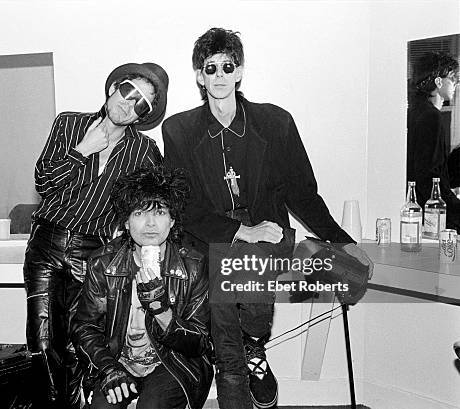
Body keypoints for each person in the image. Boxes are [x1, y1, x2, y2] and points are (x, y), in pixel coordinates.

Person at [162, 27, 373, 409]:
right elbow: (184, 206)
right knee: (229, 346)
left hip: (267, 241)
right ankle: (250, 354)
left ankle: (253, 343)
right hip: (212, 241)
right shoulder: (178, 130)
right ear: (198, 76)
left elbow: (303, 195)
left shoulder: (276, 123)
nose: (220, 75)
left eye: (228, 66)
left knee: (246, 269)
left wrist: (343, 241)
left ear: (240, 71)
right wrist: (240, 229)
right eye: (211, 68)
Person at [23, 62, 168, 408]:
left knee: (78, 345)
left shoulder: (144, 151)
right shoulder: (69, 123)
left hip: (93, 251)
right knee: (42, 342)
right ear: (113, 88)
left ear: (141, 117)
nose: (130, 103)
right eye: (129, 91)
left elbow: (149, 207)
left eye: (142, 104)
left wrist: (124, 255)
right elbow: (43, 183)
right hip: (48, 242)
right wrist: (82, 150)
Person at [71, 166, 213, 409]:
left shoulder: (192, 265)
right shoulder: (104, 263)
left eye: (159, 212)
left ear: (172, 220)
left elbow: (199, 342)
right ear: (126, 222)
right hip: (118, 360)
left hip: (172, 362)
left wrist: (160, 310)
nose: (150, 223)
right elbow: (84, 327)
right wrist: (108, 369)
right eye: (139, 213)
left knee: (152, 406)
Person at [407, 51, 460, 230]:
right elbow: (429, 178)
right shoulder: (431, 117)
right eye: (453, 79)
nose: (456, 84)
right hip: (428, 217)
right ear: (438, 82)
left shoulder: (417, 112)